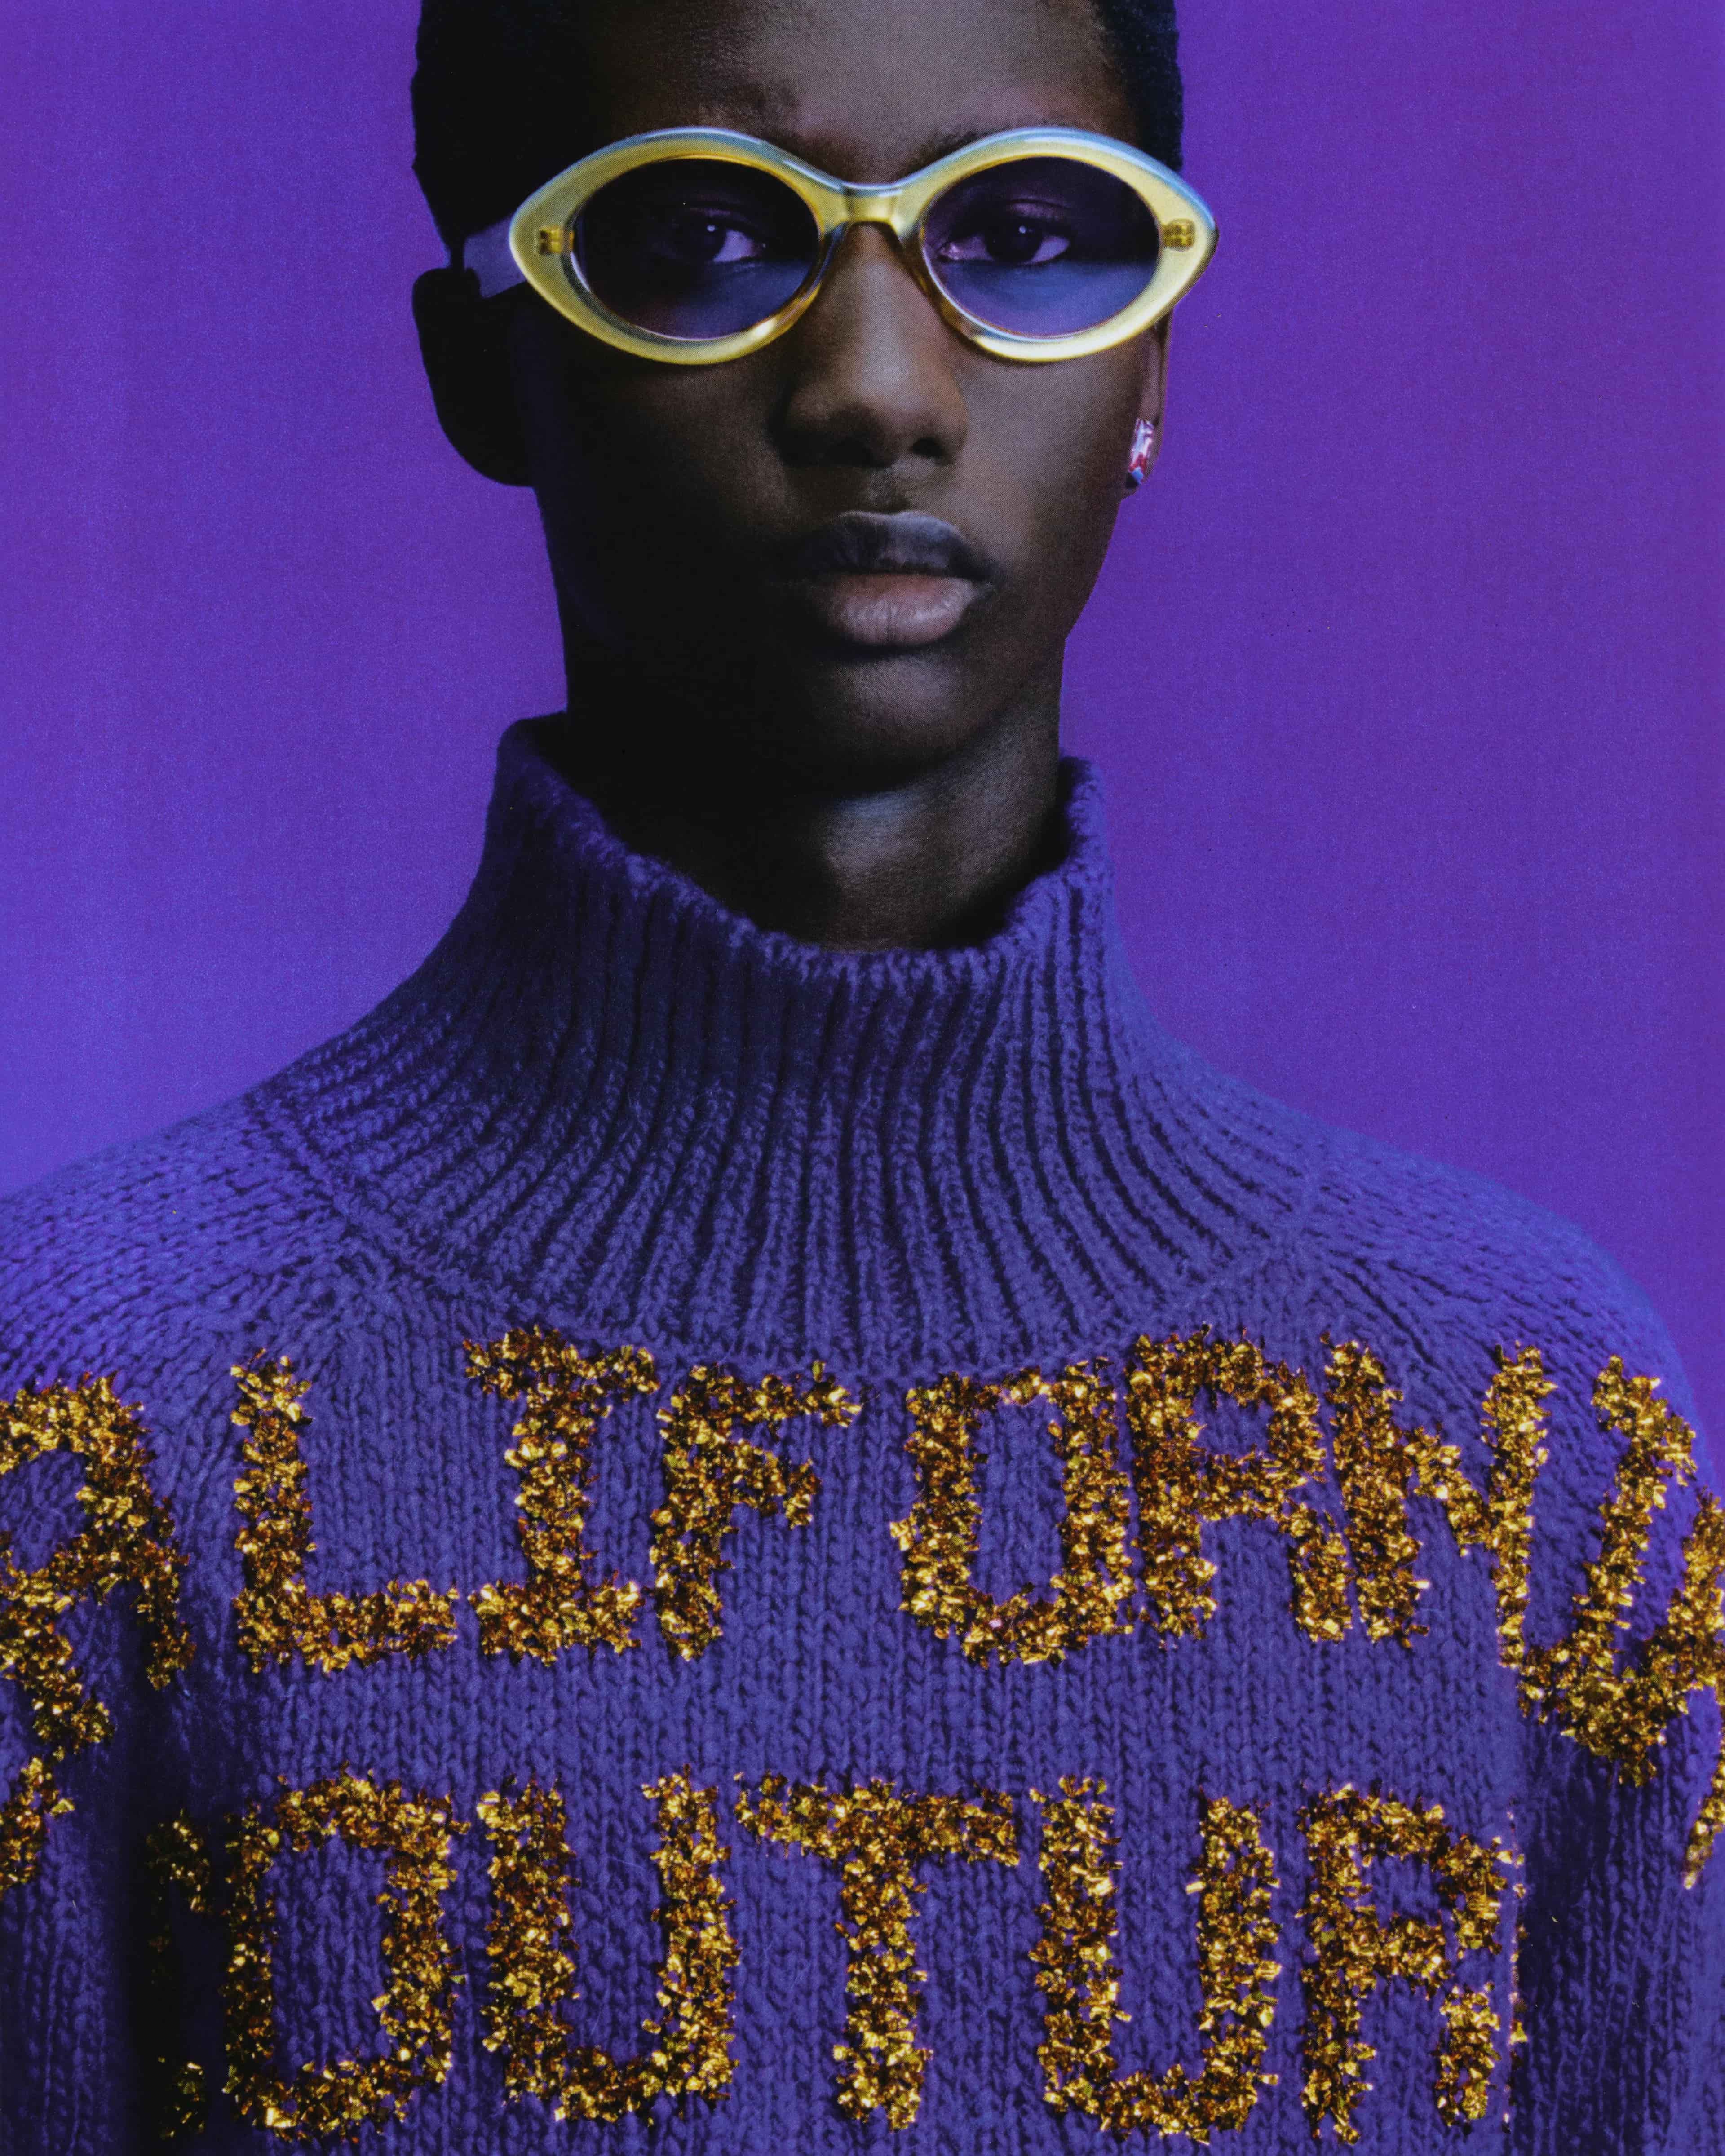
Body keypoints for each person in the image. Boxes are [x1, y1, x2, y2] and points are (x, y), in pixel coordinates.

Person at [0, 0, 1719, 2148]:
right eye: (700, 240)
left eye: (1031, 236)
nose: (881, 390)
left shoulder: (1524, 1428)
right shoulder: (90, 1409)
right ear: (480, 370)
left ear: (1156, 365)